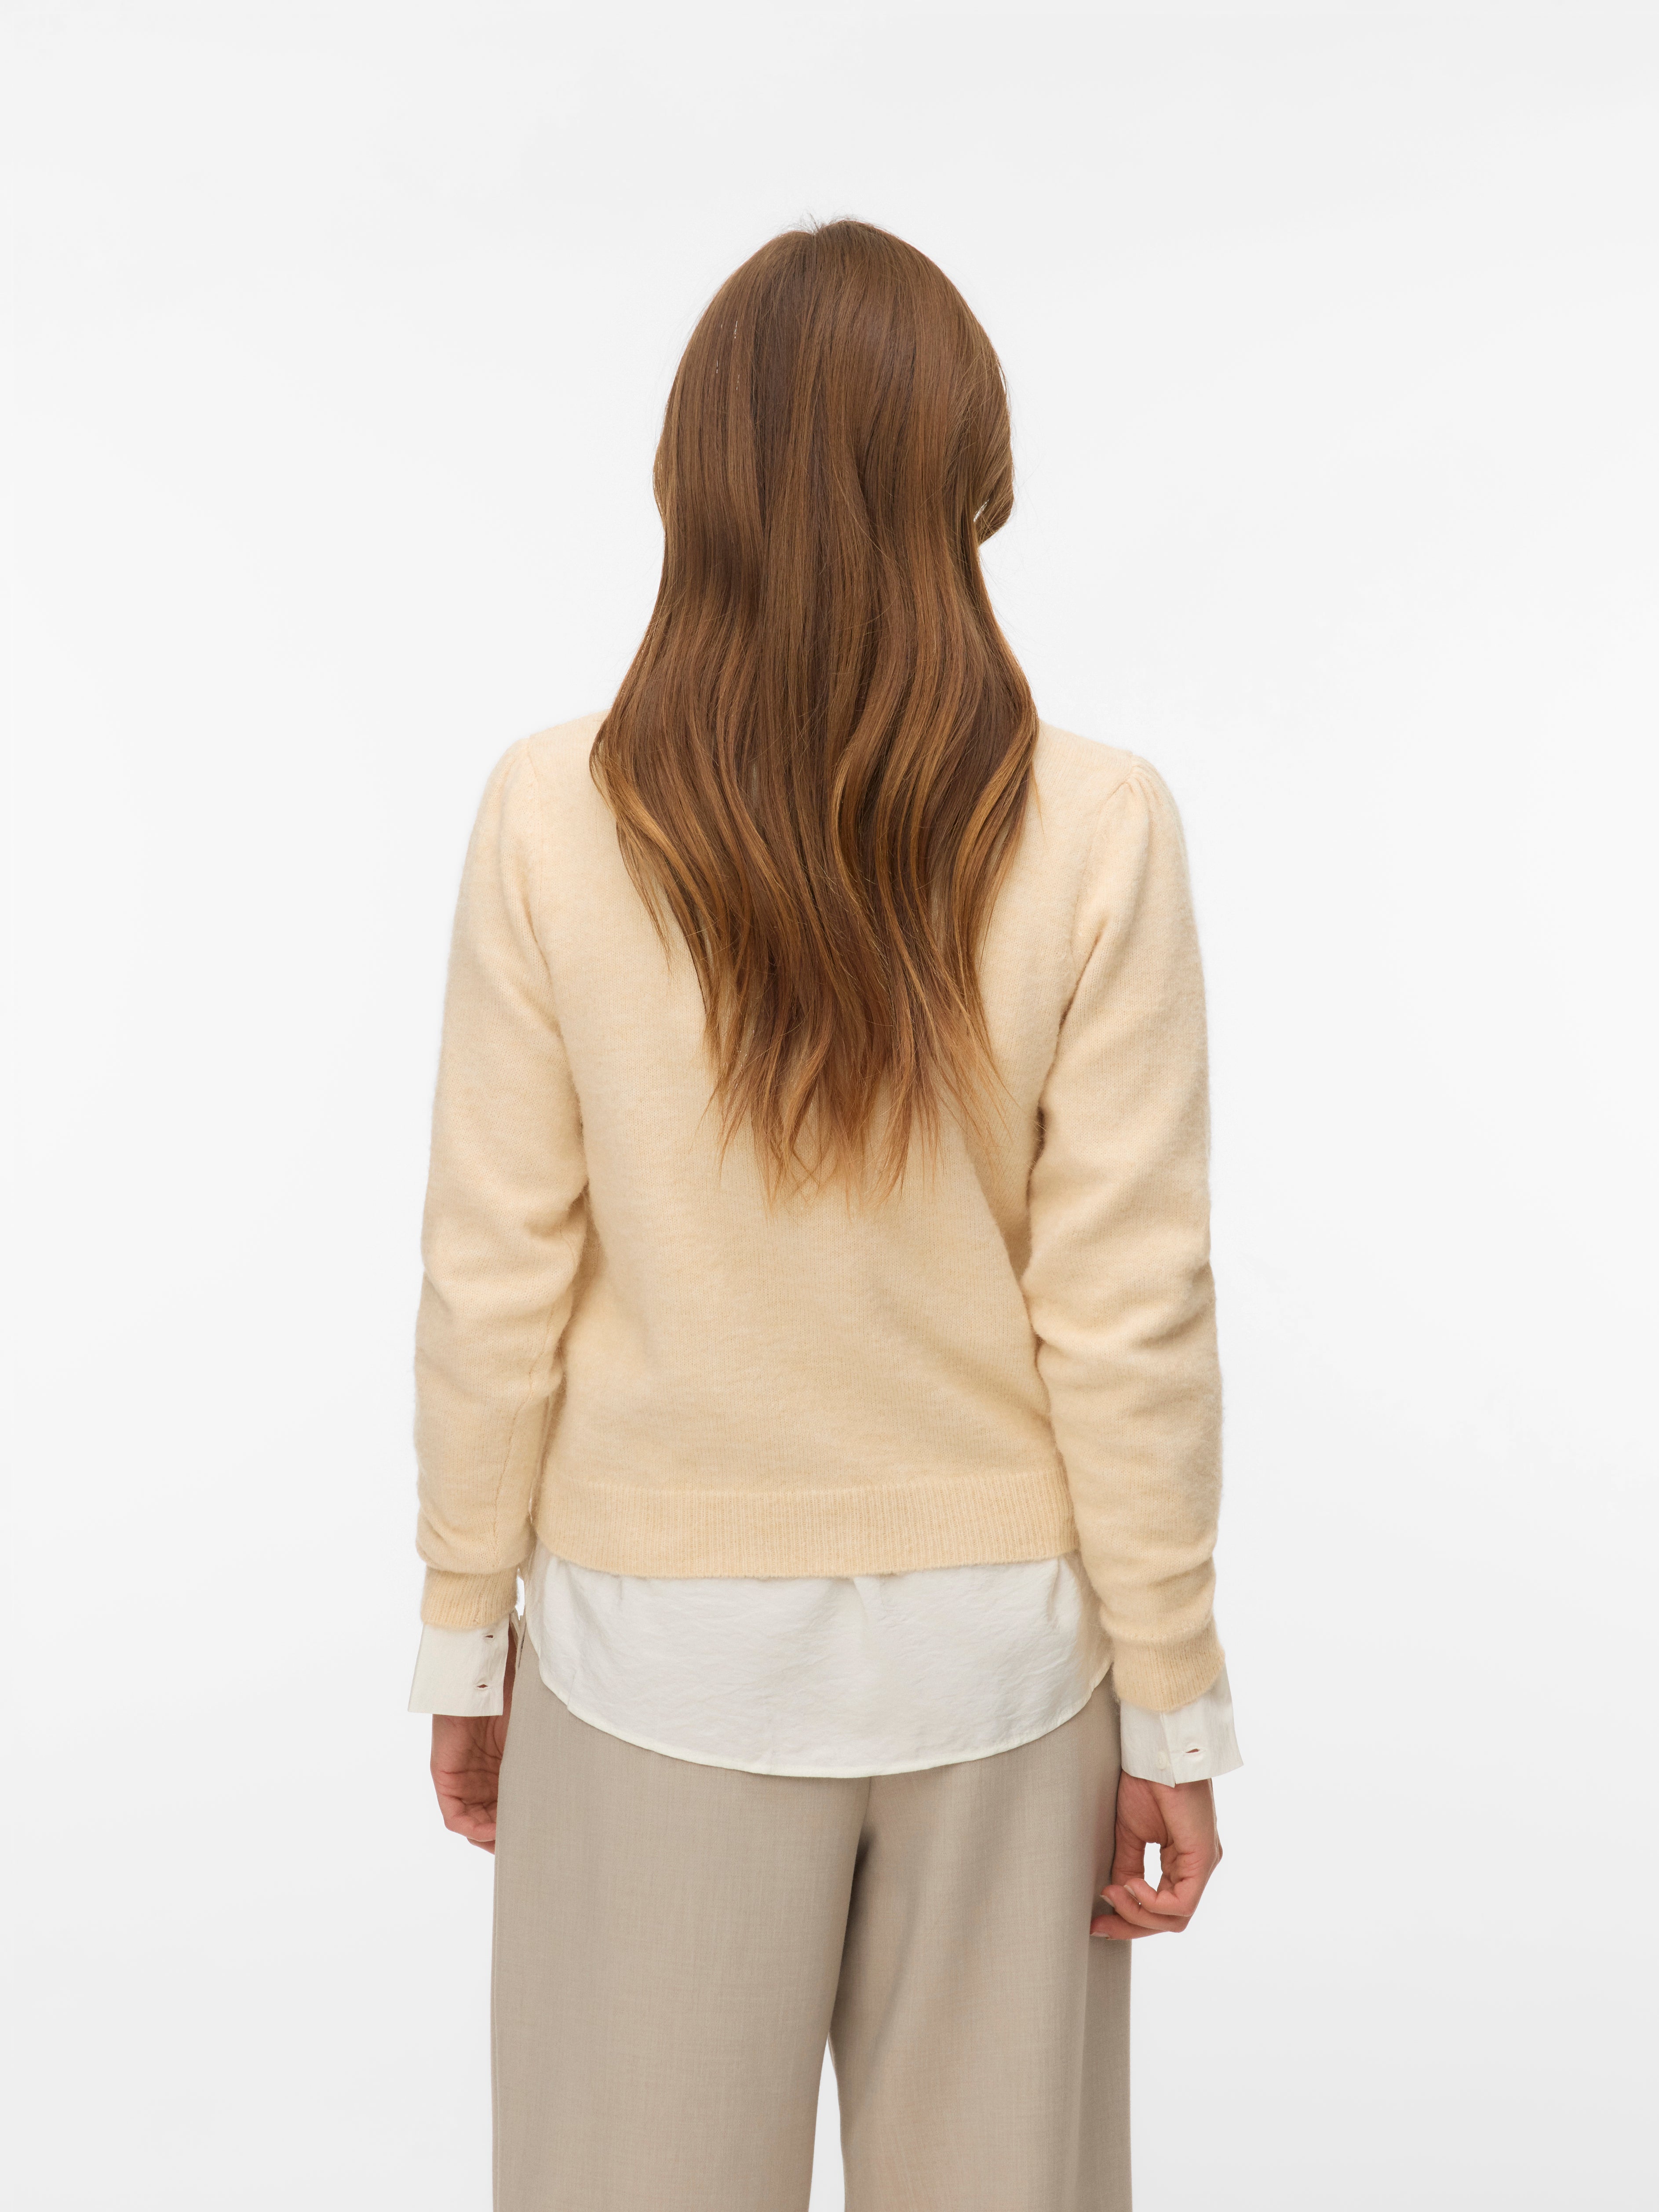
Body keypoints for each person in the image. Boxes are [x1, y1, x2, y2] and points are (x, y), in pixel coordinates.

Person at [405, 218, 1240, 2212]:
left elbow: (493, 1274)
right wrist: (1171, 1698)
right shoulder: (1095, 824)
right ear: (969, 476)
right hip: (1008, 1663)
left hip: (647, 1644)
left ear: (692, 476)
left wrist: (462, 1635)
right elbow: (1127, 1310)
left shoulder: (552, 812)